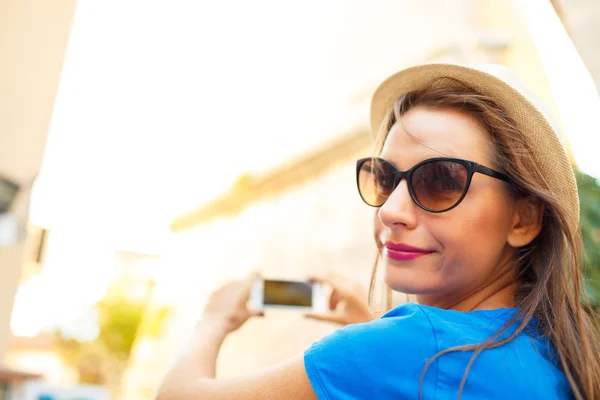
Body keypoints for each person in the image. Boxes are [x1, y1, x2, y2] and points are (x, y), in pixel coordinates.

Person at [155, 63, 600, 400]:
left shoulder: (410, 347)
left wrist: (213, 321)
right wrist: (370, 333)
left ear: (523, 219)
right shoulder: (556, 348)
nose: (391, 210)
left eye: (441, 180)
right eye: (385, 178)